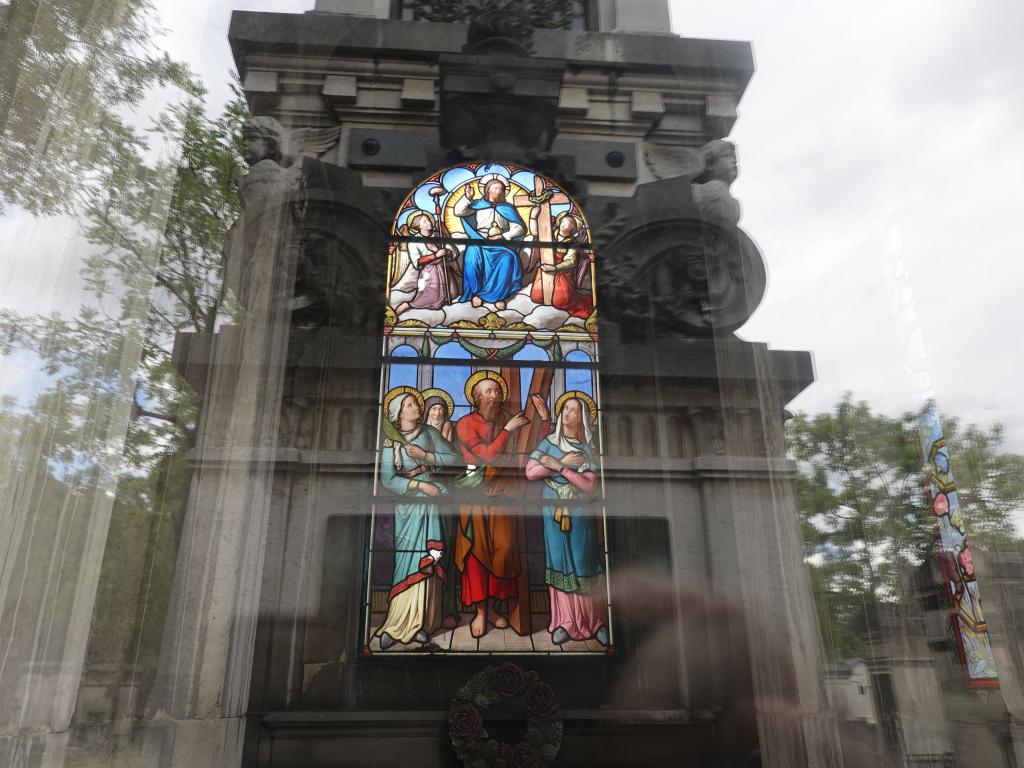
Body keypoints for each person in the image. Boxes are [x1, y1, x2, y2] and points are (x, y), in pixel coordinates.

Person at [454, 372, 549, 638]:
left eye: (496, 390)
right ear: (475, 397)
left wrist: (545, 419)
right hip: (475, 497)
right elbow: (485, 455)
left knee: (504, 551)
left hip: (505, 493)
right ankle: (482, 612)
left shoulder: (508, 420)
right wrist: (508, 431)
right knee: (476, 554)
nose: (494, 396)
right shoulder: (465, 423)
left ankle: (495, 608)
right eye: (487, 391)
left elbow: (534, 446)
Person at [375, 387, 461, 650]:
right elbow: (388, 479)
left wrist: (426, 456)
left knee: (430, 557)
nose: (417, 407)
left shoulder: (429, 433)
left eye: (417, 403)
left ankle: (424, 623)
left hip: (435, 498)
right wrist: (419, 487)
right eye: (411, 404)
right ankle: (397, 623)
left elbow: (456, 459)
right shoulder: (390, 442)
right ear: (399, 412)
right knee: (408, 559)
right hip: (409, 504)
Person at [525, 392, 609, 646]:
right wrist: (561, 461)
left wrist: (560, 468)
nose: (567, 413)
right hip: (552, 508)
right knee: (559, 560)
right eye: (565, 409)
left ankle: (596, 622)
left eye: (573, 410)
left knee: (584, 560)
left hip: (580, 510)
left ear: (582, 417)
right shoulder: (548, 443)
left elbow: (590, 486)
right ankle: (563, 622)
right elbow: (530, 473)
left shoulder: (589, 450)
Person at [455, 175, 526, 310]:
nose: (498, 192)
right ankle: (476, 293)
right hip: (479, 240)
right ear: (487, 190)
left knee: (508, 258)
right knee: (472, 259)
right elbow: (459, 212)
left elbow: (520, 227)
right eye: (495, 188)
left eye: (501, 189)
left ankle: (498, 296)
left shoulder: (508, 208)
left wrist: (504, 235)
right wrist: (467, 198)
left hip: (501, 244)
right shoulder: (476, 205)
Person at [528, 211, 593, 318]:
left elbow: (570, 262)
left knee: (560, 301)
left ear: (572, 228)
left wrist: (554, 268)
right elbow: (535, 233)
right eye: (562, 222)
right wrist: (533, 217)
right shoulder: (549, 232)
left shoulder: (573, 243)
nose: (563, 224)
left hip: (562, 273)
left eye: (566, 223)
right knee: (536, 297)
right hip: (545, 270)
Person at [394, 211, 458, 315]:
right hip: (429, 273)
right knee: (430, 297)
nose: (429, 222)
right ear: (418, 226)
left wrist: (447, 252)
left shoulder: (439, 235)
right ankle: (408, 305)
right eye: (425, 221)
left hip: (444, 269)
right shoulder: (414, 241)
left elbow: (453, 251)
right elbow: (417, 262)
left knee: (452, 293)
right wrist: (435, 255)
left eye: (429, 220)